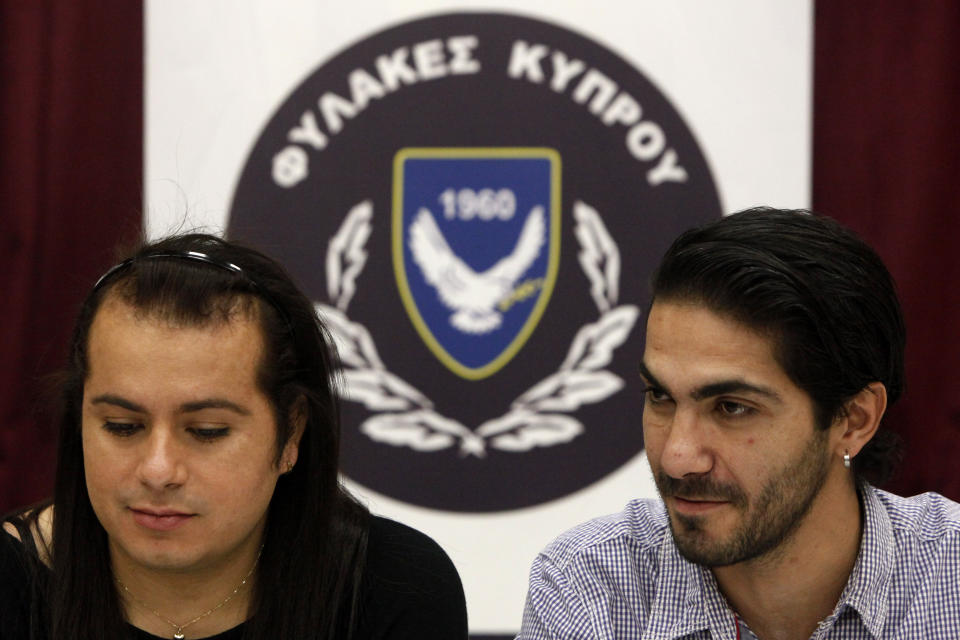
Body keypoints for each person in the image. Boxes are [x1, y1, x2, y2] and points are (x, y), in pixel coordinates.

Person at [520, 208, 960, 639]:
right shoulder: (591, 588)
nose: (677, 457)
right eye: (660, 396)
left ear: (853, 421)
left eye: (731, 407)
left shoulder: (948, 578)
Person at [1, 233, 468, 640]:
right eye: (123, 426)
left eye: (207, 432)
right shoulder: (12, 585)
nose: (158, 469)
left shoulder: (393, 590)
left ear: (291, 434)